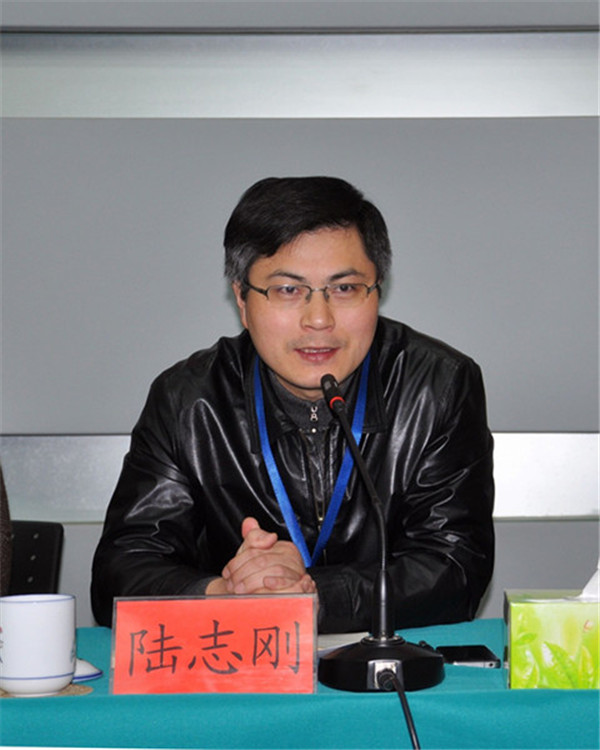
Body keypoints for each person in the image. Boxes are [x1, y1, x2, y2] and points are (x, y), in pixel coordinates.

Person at [91, 176, 494, 633]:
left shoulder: (437, 386)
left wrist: (311, 597)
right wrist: (226, 594)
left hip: (385, 664)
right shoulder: (190, 401)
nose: (318, 319)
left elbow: (456, 568)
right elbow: (121, 573)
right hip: (240, 663)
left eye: (345, 288)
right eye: (287, 290)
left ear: (377, 291)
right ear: (242, 300)